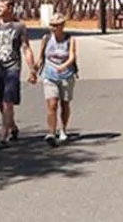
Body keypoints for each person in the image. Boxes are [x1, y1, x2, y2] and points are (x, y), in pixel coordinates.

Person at [0, 0, 37, 149]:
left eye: (1, 7)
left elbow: (26, 48)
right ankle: (13, 127)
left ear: (10, 9)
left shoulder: (19, 27)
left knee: (7, 101)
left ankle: (3, 136)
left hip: (12, 67)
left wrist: (32, 69)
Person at [38, 12, 78, 147]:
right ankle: (51, 133)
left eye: (56, 25)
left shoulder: (70, 39)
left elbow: (72, 56)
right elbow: (41, 57)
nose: (53, 28)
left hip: (66, 75)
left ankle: (63, 129)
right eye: (52, 25)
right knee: (52, 104)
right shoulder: (46, 38)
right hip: (49, 74)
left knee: (65, 104)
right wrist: (34, 70)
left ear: (62, 26)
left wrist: (64, 66)